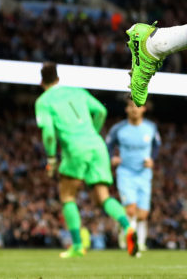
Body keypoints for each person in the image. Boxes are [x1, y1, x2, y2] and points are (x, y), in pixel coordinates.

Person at [34, 62, 137, 258]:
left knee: (67, 196)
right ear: (58, 78)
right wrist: (93, 133)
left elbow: (48, 133)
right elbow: (101, 111)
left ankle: (78, 246)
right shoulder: (78, 91)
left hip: (75, 147)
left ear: (41, 82)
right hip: (97, 145)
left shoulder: (43, 101)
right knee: (103, 197)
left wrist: (51, 158)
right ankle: (128, 228)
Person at [106, 96, 161, 252]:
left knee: (142, 215)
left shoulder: (151, 128)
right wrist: (112, 158)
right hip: (125, 173)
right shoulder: (119, 129)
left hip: (144, 174)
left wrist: (152, 159)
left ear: (143, 108)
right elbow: (108, 145)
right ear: (127, 109)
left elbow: (157, 146)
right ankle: (131, 240)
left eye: (137, 106)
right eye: (131, 106)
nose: (134, 109)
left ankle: (134, 235)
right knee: (131, 209)